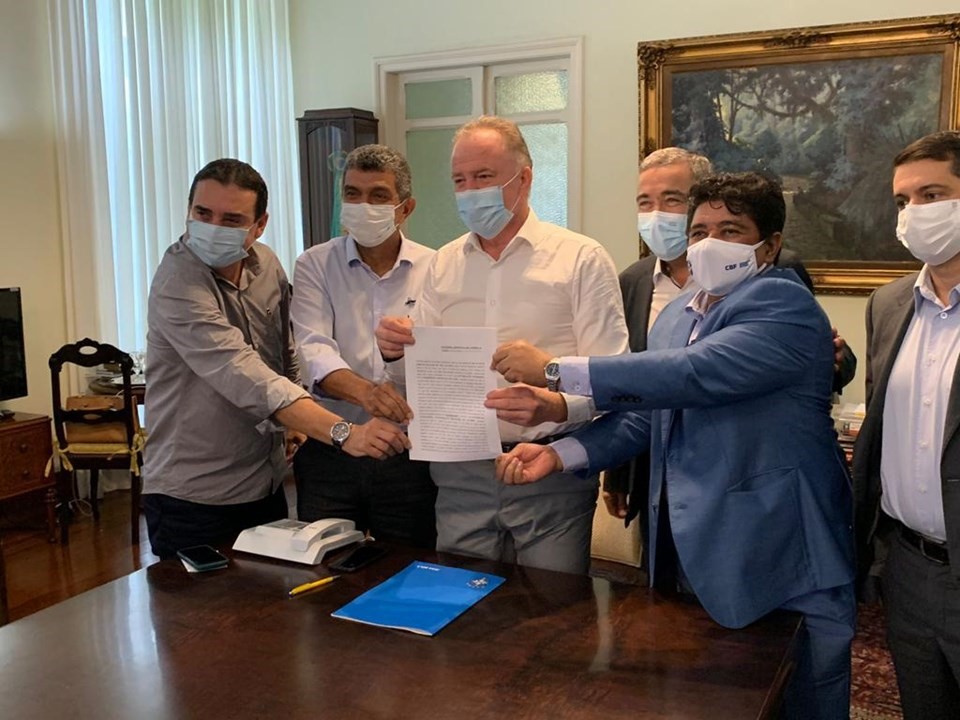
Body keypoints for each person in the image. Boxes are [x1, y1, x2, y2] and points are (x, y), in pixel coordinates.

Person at [495, 172, 856, 719]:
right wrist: (561, 453)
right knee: (705, 697)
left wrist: (553, 369)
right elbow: (650, 417)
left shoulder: (784, 304)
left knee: (800, 698)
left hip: (778, 551)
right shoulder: (676, 315)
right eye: (700, 231)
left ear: (770, 245)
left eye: (730, 231)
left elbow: (694, 374)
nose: (710, 244)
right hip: (684, 547)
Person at [376, 116, 629, 575]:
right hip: (459, 472)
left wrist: (554, 404)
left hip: (551, 467)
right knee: (461, 598)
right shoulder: (443, 264)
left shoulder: (580, 259)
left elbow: (612, 379)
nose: (470, 191)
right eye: (460, 180)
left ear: (524, 179)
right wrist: (395, 352)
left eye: (484, 176)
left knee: (551, 606)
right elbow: (418, 379)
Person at [144, 158, 409, 559]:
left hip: (263, 484)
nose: (213, 227)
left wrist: (294, 426)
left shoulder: (266, 266)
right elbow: (245, 374)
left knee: (273, 596)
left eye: (231, 219)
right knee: (197, 601)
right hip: (194, 494)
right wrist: (343, 432)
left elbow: (284, 352)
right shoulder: (177, 282)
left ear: (259, 225)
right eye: (203, 213)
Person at [607, 147, 857, 535]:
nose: (657, 214)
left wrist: (557, 374)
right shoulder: (634, 280)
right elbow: (641, 386)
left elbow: (801, 354)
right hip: (661, 479)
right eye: (645, 202)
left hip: (746, 489)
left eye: (671, 200)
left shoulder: (778, 274)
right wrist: (615, 471)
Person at [853, 130, 960, 720]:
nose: (914, 213)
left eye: (932, 195)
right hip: (908, 567)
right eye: (903, 200)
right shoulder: (888, 304)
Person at [291, 145, 436, 548]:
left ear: (405, 208)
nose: (362, 206)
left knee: (408, 565)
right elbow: (313, 350)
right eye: (352, 194)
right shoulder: (314, 265)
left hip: (409, 454)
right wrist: (368, 395)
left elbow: (440, 361)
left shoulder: (437, 268)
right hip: (331, 447)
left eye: (378, 196)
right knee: (324, 565)